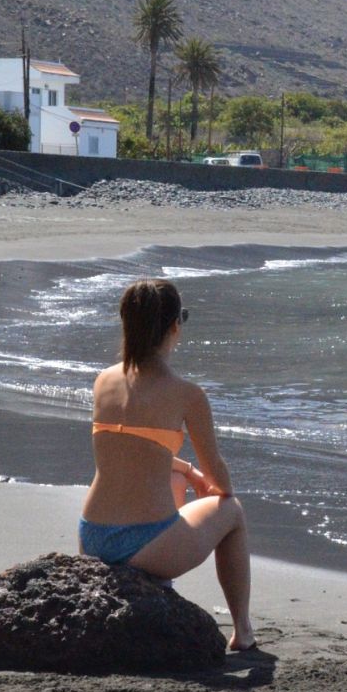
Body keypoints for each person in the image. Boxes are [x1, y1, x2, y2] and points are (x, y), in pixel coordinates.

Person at [80, 278, 255, 651]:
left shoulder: (103, 381)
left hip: (93, 537)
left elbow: (127, 448)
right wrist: (218, 493)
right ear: (175, 326)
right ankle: (243, 631)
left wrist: (186, 470)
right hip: (145, 547)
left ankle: (157, 585)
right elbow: (217, 474)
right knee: (233, 511)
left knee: (176, 474)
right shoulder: (187, 394)